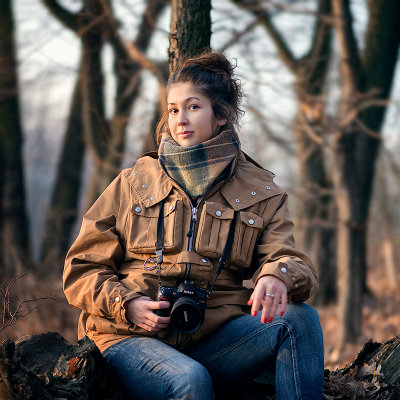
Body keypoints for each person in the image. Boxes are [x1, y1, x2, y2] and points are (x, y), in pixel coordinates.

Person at [63, 51, 324, 400]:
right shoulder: (133, 182)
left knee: (300, 320)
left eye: (193, 107)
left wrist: (276, 274)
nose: (180, 119)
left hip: (215, 342)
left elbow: (292, 260)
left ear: (221, 116)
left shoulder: (260, 190)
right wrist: (127, 304)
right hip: (128, 338)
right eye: (173, 109)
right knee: (190, 380)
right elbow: (81, 268)